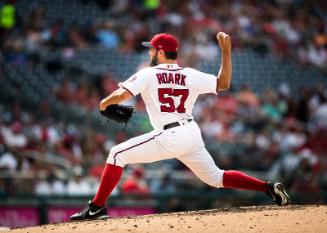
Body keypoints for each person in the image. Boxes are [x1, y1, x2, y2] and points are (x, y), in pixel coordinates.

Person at [70, 32, 290, 221]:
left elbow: (122, 94)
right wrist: (226, 52)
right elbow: (223, 83)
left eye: (151, 50)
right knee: (215, 177)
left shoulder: (148, 73)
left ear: (160, 51)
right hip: (191, 133)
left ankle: (96, 208)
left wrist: (104, 103)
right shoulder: (190, 74)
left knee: (117, 154)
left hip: (170, 134)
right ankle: (268, 188)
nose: (149, 53)